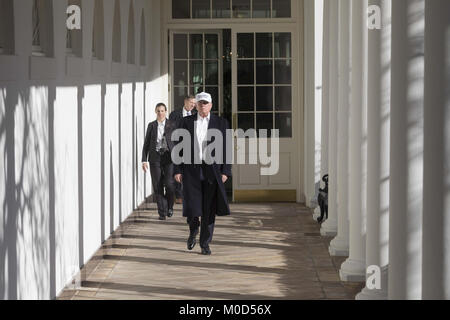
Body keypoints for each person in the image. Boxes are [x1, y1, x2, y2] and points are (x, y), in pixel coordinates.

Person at [174, 92, 232, 255]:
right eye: (200, 103)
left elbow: (227, 147)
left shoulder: (221, 123)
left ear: (211, 105)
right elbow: (179, 147)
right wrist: (177, 169)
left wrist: (225, 170)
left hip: (212, 171)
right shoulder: (186, 122)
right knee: (192, 206)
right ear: (196, 105)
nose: (203, 106)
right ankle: (194, 229)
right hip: (191, 170)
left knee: (209, 208)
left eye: (206, 103)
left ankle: (205, 244)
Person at [142, 103, 176, 220]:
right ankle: (162, 212)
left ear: (166, 111)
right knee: (157, 186)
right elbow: (146, 143)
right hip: (155, 157)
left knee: (170, 184)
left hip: (169, 157)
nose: (160, 113)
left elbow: (177, 141)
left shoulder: (172, 124)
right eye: (158, 111)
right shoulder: (151, 125)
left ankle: (170, 206)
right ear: (155, 112)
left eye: (162, 111)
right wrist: (144, 160)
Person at [169, 95, 197, 204]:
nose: (193, 105)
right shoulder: (174, 114)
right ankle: (179, 195)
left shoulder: (195, 114)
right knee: (178, 170)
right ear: (185, 102)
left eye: (194, 103)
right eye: (191, 103)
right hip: (177, 145)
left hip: (191, 146)